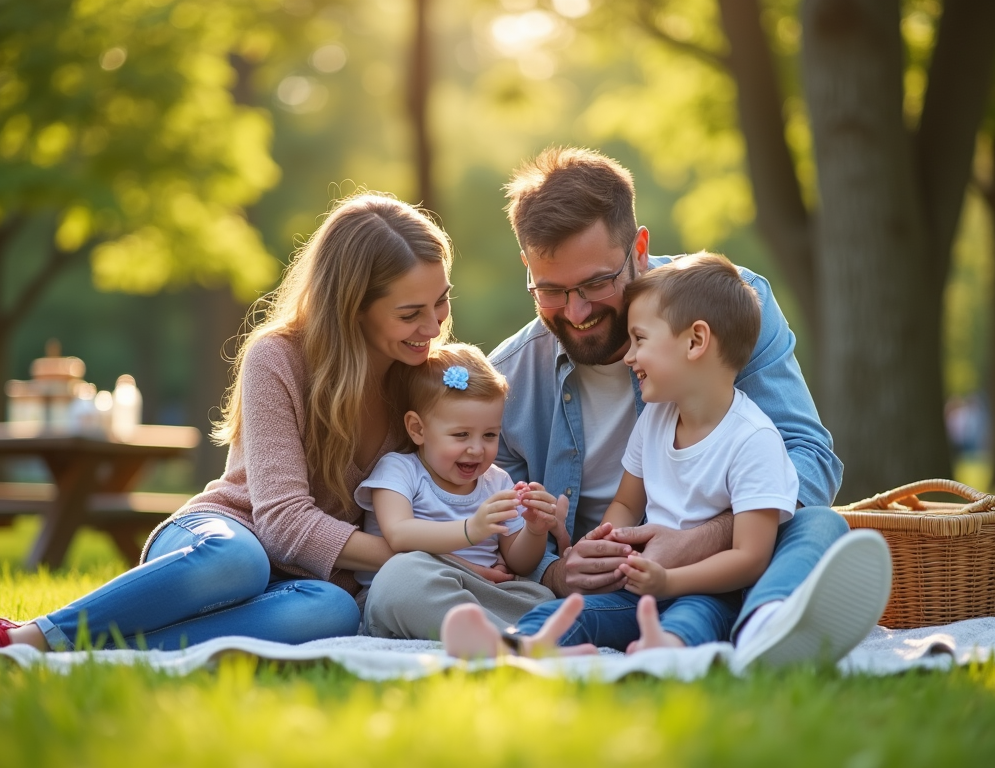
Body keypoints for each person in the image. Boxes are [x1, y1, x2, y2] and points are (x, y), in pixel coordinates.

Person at [370, 146, 892, 669]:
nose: (575, 312)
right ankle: (520, 645)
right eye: (550, 290)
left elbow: (809, 456)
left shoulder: (731, 305)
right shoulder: (511, 377)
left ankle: (766, 625)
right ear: (527, 268)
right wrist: (558, 568)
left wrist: (696, 543)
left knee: (818, 525)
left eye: (596, 283)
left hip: (732, 559)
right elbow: (505, 525)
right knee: (408, 581)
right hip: (601, 589)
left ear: (638, 250)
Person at [0, 192, 456, 654]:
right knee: (239, 561)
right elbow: (284, 521)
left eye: (441, 302)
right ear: (352, 308)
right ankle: (32, 636)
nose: (433, 328)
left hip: (313, 579)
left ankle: (97, 648)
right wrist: (417, 559)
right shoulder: (279, 357)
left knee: (333, 611)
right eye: (411, 313)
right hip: (223, 536)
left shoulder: (422, 384)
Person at [443, 253, 885, 659]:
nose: (628, 356)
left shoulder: (754, 440)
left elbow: (749, 558)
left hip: (711, 588)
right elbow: (627, 503)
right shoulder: (654, 420)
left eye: (639, 340)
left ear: (695, 342)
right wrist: (602, 543)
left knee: (693, 616)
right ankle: (521, 644)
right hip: (644, 584)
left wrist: (671, 581)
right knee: (579, 609)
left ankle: (753, 630)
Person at [353, 343, 568, 638]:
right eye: (461, 434)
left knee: (539, 596)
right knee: (400, 577)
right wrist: (471, 529)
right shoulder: (399, 470)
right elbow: (399, 534)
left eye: (490, 435)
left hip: (480, 594)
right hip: (416, 589)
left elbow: (520, 562)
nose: (477, 449)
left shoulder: (497, 481)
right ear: (417, 429)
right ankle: (508, 639)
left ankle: (503, 634)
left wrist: (534, 529)